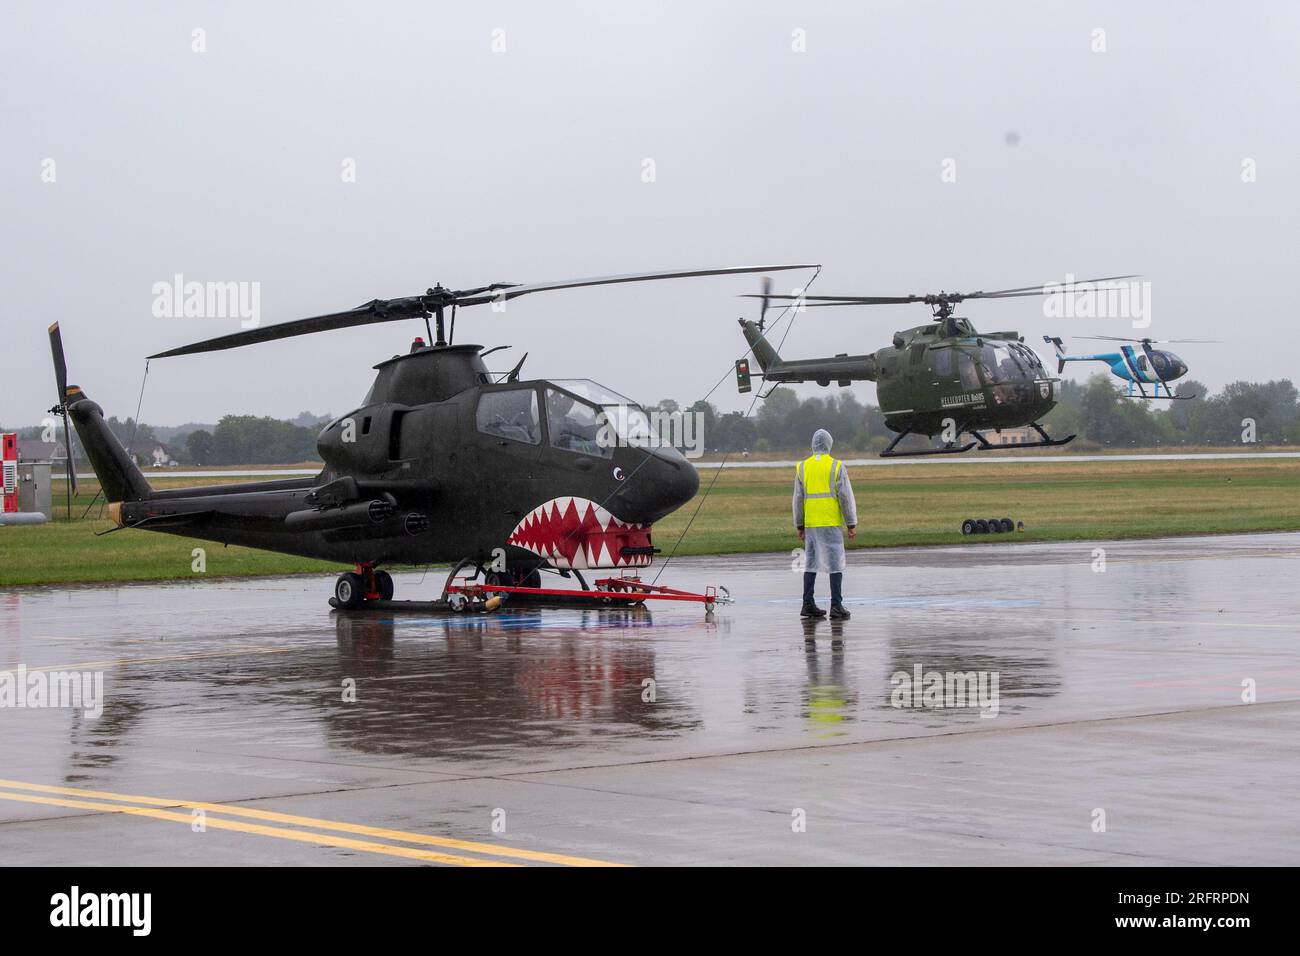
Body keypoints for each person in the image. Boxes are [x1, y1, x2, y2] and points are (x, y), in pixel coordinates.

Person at [793, 428, 856, 619]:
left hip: (811, 523)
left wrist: (799, 524)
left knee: (810, 564)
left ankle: (807, 603)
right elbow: (845, 497)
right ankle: (836, 605)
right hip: (829, 521)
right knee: (835, 564)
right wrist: (851, 522)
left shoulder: (803, 467)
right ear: (829, 444)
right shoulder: (836, 466)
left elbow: (798, 497)